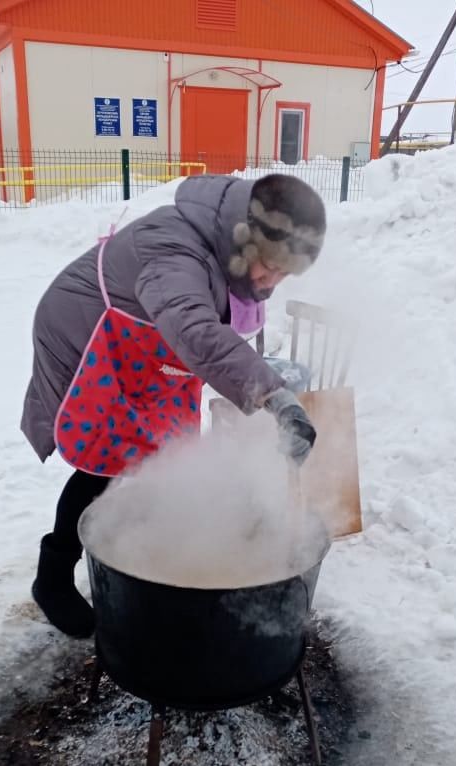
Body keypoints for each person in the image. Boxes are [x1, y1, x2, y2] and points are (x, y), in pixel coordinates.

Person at [21, 172, 326, 637]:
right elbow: (195, 329)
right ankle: (53, 576)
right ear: (243, 240)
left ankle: (165, 546)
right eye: (269, 264)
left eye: (285, 272)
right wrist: (274, 397)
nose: (271, 280)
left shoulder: (227, 248)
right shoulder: (174, 249)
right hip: (89, 334)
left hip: (147, 340)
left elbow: (208, 330)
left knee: (170, 447)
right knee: (106, 456)